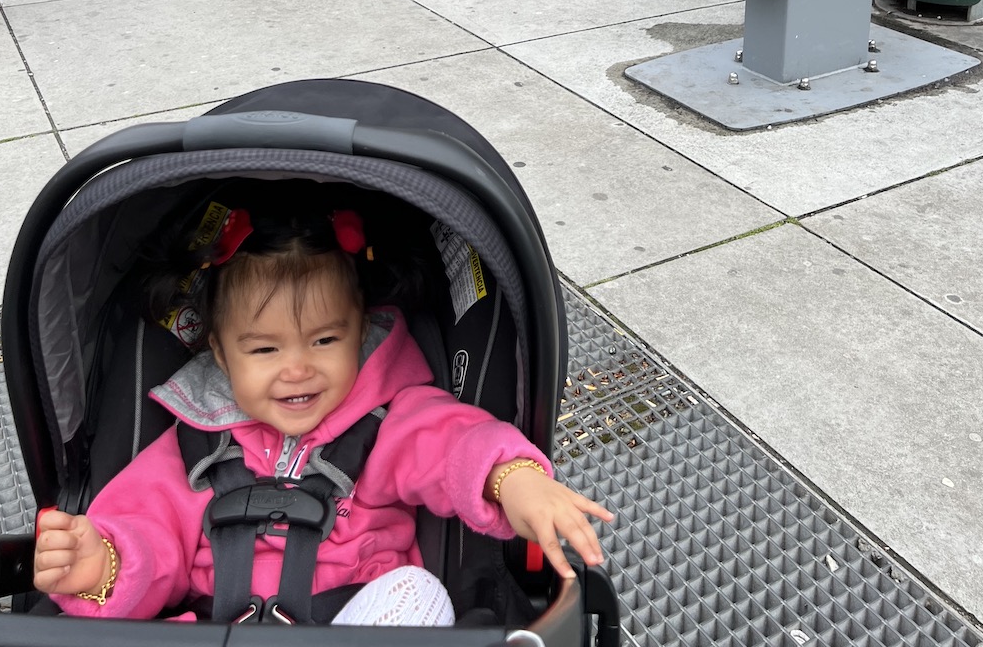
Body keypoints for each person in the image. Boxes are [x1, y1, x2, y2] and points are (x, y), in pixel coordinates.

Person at [33, 201, 611, 625]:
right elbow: (147, 530)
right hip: (215, 628)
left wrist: (511, 477)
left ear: (361, 332)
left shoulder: (388, 419)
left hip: (353, 623)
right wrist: (103, 566)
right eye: (265, 350)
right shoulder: (193, 445)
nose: (297, 369)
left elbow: (451, 442)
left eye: (325, 341)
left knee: (417, 594)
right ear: (221, 355)